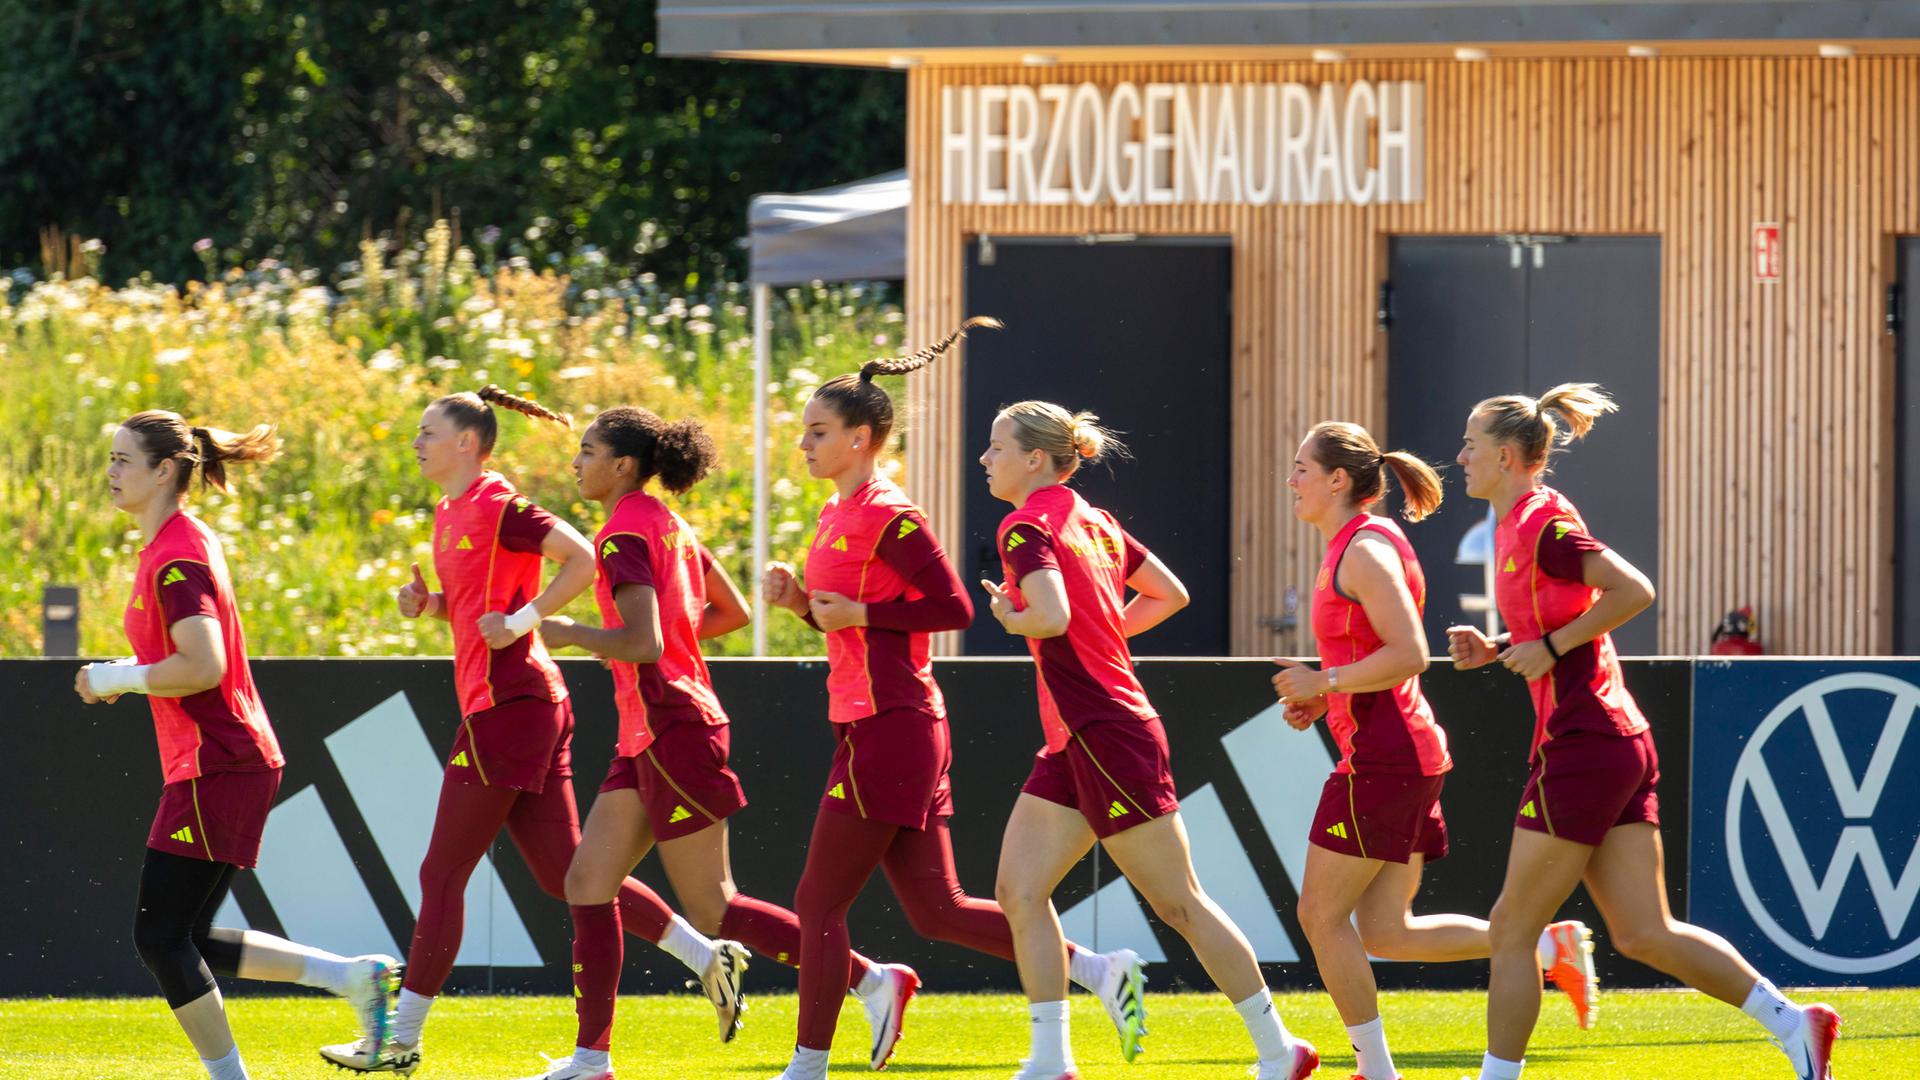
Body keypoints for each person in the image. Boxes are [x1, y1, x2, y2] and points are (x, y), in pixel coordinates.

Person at [321, 387, 746, 1075]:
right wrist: (432, 605)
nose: (417, 441)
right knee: (570, 877)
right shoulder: (451, 510)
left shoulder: (498, 503)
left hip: (512, 706)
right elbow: (480, 608)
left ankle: (398, 1040)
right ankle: (704, 958)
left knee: (442, 872)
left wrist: (527, 623)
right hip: (518, 705)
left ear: (469, 442)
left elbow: (578, 557)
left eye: (429, 431)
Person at [761, 322, 1144, 1080]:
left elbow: (953, 608)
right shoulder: (839, 512)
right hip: (873, 722)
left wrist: (855, 614)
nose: (803, 444)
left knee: (817, 901)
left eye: (817, 431)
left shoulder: (887, 512)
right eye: (805, 430)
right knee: (936, 910)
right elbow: (857, 624)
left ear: (863, 438)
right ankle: (1100, 971)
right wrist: (806, 604)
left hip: (893, 724)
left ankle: (808, 1064)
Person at [1447, 384, 1840, 1080]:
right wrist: (1504, 645)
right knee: (1642, 933)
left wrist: (1554, 646)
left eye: (1471, 444)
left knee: (1511, 928)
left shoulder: (1541, 522)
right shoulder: (1521, 524)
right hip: (1613, 738)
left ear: (1506, 456)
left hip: (1586, 742)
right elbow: (1559, 620)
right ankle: (1795, 1022)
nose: (1461, 455)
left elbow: (1635, 590)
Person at [525, 406, 909, 1080]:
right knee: (587, 881)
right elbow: (731, 612)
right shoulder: (664, 522)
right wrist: (665, 642)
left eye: (587, 452)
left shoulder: (621, 536)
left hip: (673, 725)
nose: (576, 463)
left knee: (714, 906)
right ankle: (591, 1058)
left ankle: (871, 981)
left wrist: (573, 635)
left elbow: (642, 643)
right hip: (648, 728)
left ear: (622, 467)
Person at [979, 400, 1317, 1080]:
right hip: (1080, 736)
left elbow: (1047, 616)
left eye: (996, 446)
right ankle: (1051, 1059)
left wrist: (1010, 617)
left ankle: (1280, 1051)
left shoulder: (1023, 527)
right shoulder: (1094, 521)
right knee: (1019, 892)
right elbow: (1170, 595)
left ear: (1035, 459)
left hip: (1106, 731)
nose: (986, 459)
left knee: (1179, 903)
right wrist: (1096, 636)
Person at [76, 410, 397, 1080]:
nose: (110, 473)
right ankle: (354, 978)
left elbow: (204, 664)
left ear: (165, 470)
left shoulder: (175, 556)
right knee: (183, 935)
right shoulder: (180, 541)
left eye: (122, 460)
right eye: (109, 458)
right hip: (226, 760)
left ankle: (233, 1076)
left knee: (160, 936)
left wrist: (121, 678)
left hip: (217, 761)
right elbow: (187, 660)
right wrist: (129, 675)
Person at [1271, 421, 1595, 1080]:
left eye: (1302, 467)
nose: (1291, 480)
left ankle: (1376, 1072)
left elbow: (1409, 653)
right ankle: (1543, 946)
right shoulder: (1359, 542)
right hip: (1401, 751)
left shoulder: (1362, 549)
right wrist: (1321, 697)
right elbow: (1374, 655)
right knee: (1385, 931)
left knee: (1319, 914)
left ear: (1338, 480)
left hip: (1384, 758)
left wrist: (1324, 681)